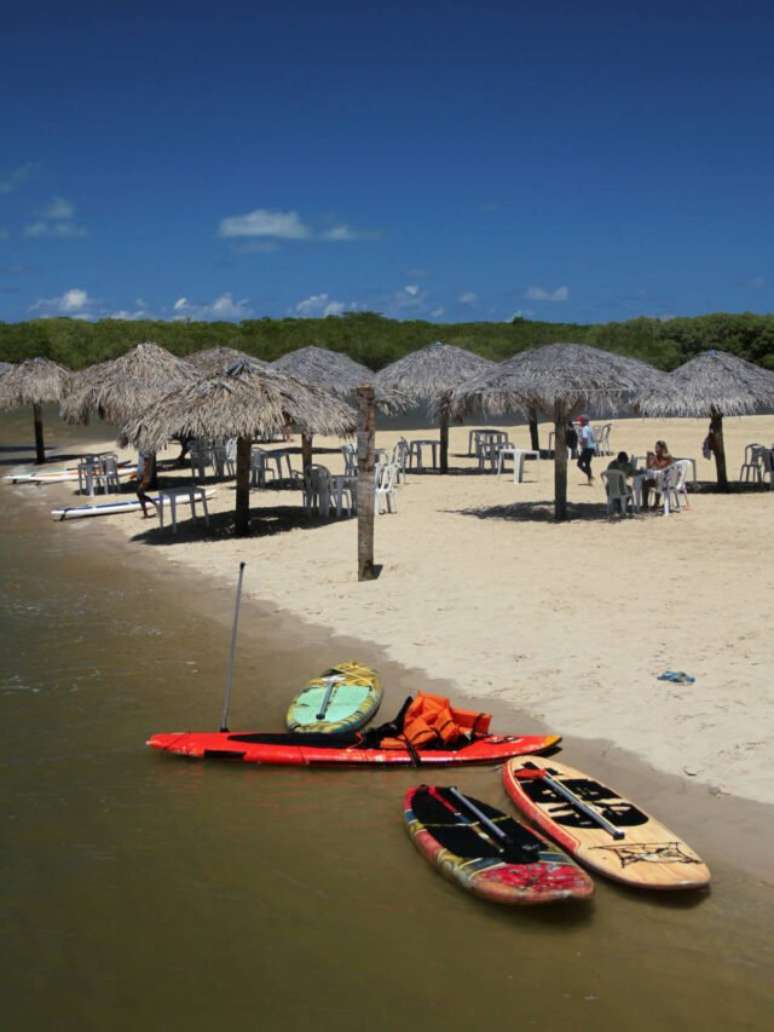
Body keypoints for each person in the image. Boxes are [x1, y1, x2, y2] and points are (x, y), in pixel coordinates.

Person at [642, 440, 673, 508]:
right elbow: (649, 466)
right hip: (657, 478)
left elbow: (660, 467)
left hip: (666, 480)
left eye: (657, 447)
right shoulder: (657, 456)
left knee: (658, 481)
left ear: (662, 448)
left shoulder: (667, 457)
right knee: (645, 483)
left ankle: (657, 503)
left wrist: (654, 458)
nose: (655, 449)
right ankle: (645, 504)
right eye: (655, 447)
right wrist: (648, 458)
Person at [135, 451, 157, 518]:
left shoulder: (146, 450)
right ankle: (145, 513)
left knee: (139, 493)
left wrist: (145, 475)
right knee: (140, 494)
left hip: (145, 475)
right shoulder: (144, 450)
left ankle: (155, 505)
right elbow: (143, 462)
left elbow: (147, 464)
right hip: (142, 474)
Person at [576, 416, 596, 483]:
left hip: (587, 448)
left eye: (581, 421)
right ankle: (590, 478)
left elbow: (585, 439)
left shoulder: (584, 429)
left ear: (585, 422)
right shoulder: (590, 428)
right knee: (587, 463)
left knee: (579, 463)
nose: (580, 422)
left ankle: (590, 476)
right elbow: (594, 439)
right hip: (592, 448)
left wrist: (582, 444)